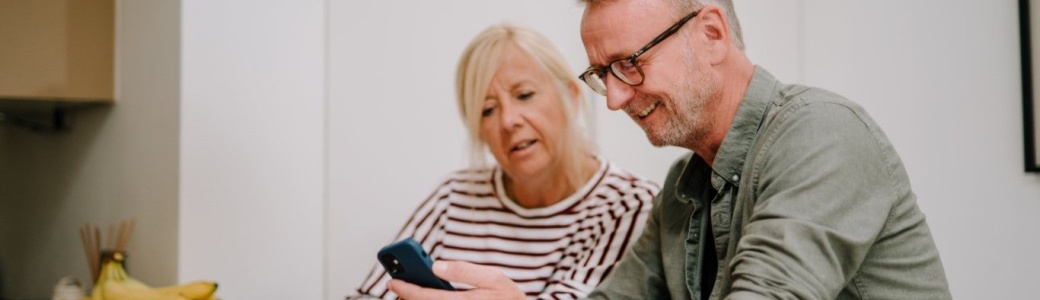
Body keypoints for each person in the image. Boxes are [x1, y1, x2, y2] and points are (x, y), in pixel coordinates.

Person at [388, 0, 953, 299]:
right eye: (602, 73)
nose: (611, 99)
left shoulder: (823, 134)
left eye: (629, 64)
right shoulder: (684, 189)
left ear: (711, 34)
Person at [350, 23, 659, 300]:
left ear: (571, 96)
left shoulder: (628, 206)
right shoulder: (454, 196)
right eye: (487, 110)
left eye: (524, 95)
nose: (508, 120)